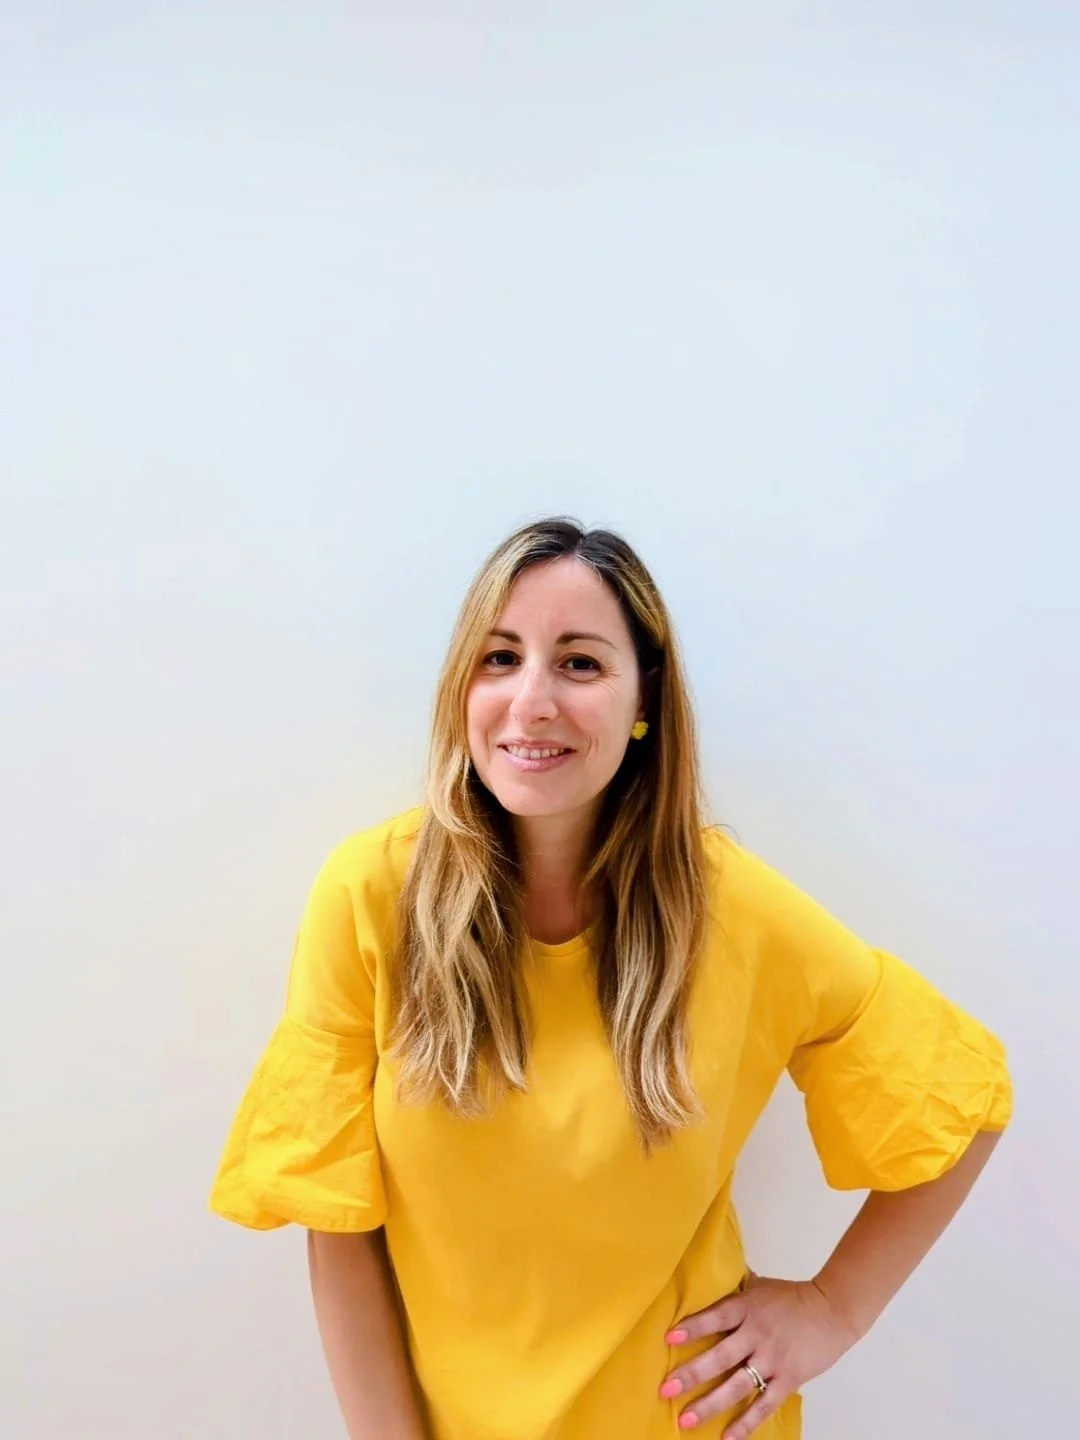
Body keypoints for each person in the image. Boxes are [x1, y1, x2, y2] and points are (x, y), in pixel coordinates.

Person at [209, 518, 1012, 1440]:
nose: (532, 701)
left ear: (644, 702)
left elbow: (965, 1102)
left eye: (580, 663)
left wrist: (833, 1309)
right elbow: (336, 1222)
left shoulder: (735, 913)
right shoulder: (370, 896)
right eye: (500, 657)